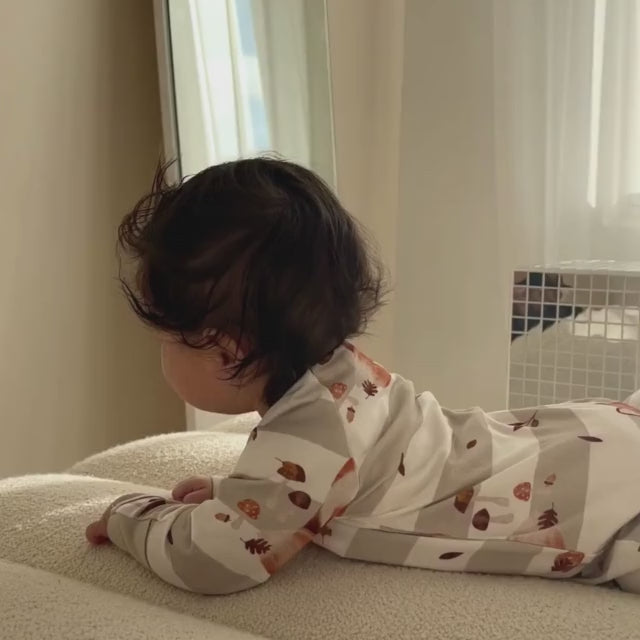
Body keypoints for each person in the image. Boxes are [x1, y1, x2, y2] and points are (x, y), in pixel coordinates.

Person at [86, 158, 640, 595]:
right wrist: (238, 495)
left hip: (597, 504)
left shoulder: (312, 436)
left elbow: (211, 559)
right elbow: (306, 492)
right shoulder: (342, 377)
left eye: (164, 339)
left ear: (226, 351)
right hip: (588, 438)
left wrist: (130, 515)